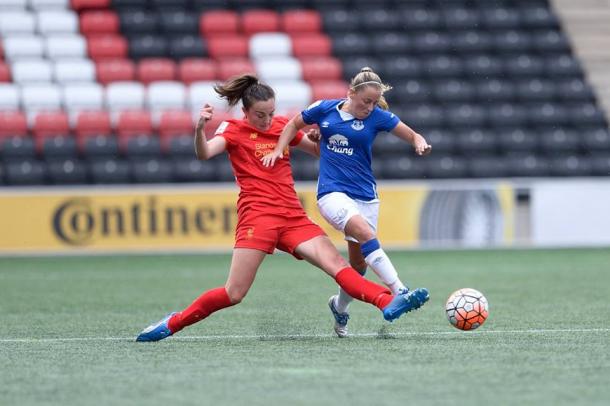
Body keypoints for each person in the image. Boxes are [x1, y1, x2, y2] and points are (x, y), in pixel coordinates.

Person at [136, 74, 429, 342]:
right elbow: (204, 153)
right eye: (259, 115)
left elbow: (319, 150)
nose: (267, 120)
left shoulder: (281, 127)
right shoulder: (233, 129)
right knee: (234, 293)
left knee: (339, 267)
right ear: (245, 112)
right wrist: (200, 128)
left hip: (292, 216)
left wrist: (320, 137)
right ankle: (173, 322)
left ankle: (388, 301)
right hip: (257, 216)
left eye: (271, 113)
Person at [262, 67, 432, 338]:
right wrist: (279, 149)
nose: (370, 107)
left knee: (358, 266)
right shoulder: (323, 109)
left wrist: (419, 141)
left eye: (374, 102)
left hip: (366, 196)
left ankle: (339, 307)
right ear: (351, 93)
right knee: (365, 232)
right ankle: (400, 291)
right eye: (366, 101)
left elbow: (411, 134)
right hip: (332, 193)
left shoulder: (377, 118)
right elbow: (294, 124)